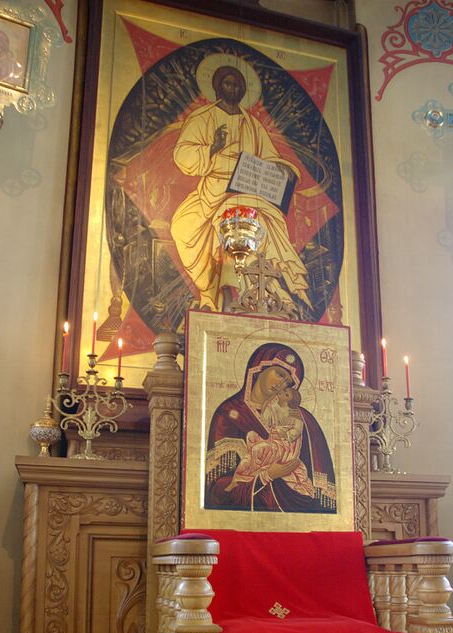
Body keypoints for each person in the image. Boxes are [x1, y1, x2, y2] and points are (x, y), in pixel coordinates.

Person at [170, 64, 312, 312]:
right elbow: (182, 154)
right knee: (181, 227)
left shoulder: (252, 125)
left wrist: (285, 169)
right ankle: (208, 292)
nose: (233, 88)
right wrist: (212, 148)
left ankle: (259, 295)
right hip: (213, 188)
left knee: (249, 226)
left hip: (247, 189)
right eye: (228, 83)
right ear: (217, 87)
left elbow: (270, 157)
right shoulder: (204, 117)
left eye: (237, 85)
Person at [205, 342, 336, 513]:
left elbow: (324, 496)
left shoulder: (302, 418)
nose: (281, 384)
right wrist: (267, 476)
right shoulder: (230, 414)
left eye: (287, 382)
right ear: (259, 367)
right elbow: (217, 492)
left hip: (296, 508)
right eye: (280, 374)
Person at [227, 385, 315, 497]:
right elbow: (264, 423)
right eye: (284, 391)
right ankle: (240, 477)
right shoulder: (272, 407)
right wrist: (266, 406)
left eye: (286, 394)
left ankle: (251, 473)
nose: (282, 393)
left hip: (285, 445)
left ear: (290, 401)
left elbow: (297, 430)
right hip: (271, 438)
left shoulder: (294, 413)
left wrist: (285, 434)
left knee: (258, 449)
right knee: (251, 436)